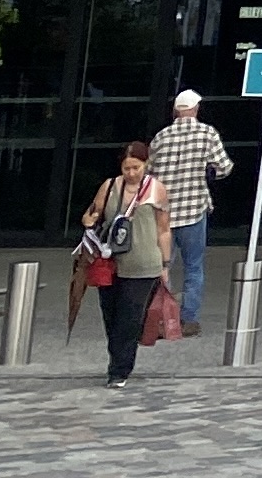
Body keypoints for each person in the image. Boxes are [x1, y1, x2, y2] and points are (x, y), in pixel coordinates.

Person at [80, 139, 172, 386]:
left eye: (136, 168)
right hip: (110, 262)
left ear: (146, 164)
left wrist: (165, 264)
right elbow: (93, 213)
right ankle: (117, 359)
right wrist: (90, 220)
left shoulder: (156, 189)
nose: (131, 173)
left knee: (129, 318)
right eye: (126, 168)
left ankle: (119, 370)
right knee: (110, 315)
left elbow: (163, 229)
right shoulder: (109, 186)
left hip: (144, 263)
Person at [145, 87, 233, 327]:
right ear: (196, 109)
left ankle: (160, 320)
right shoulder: (207, 133)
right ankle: (188, 320)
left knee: (161, 266)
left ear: (175, 111)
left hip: (163, 213)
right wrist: (208, 172)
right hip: (193, 210)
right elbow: (224, 167)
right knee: (193, 268)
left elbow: (148, 172)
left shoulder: (161, 136)